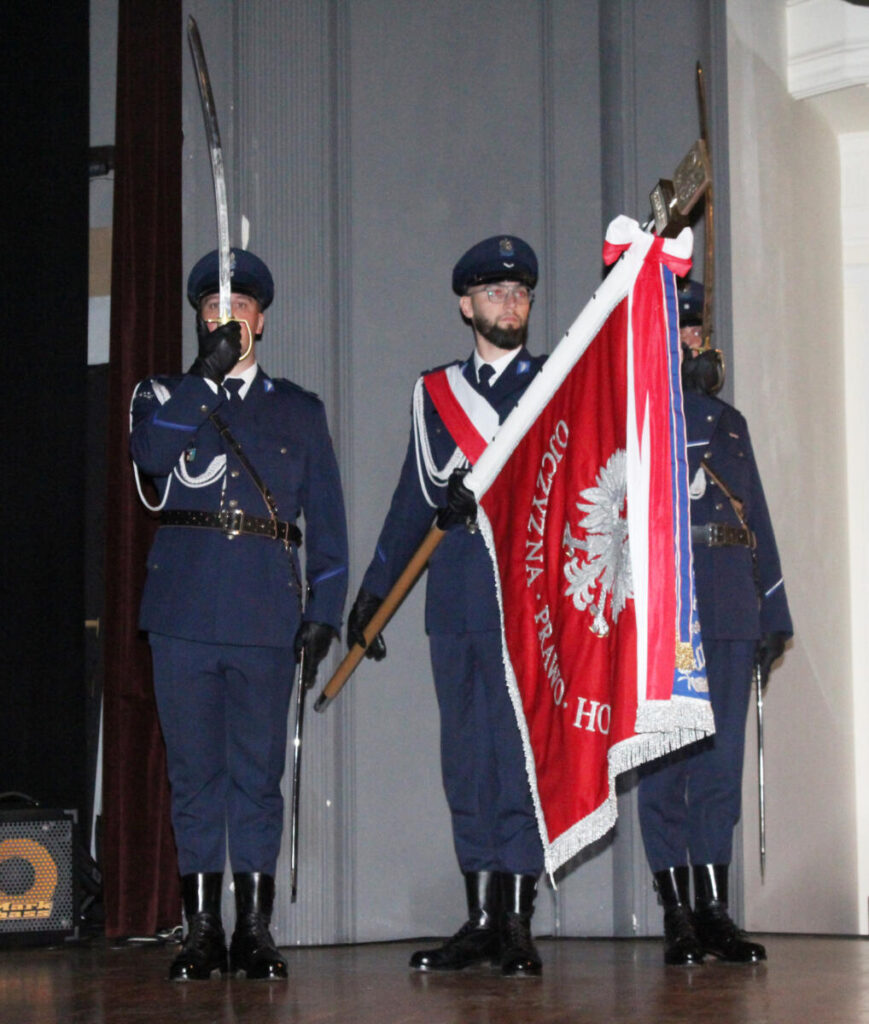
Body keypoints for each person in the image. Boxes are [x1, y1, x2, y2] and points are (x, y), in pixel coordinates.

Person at [130, 248, 348, 981]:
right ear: (200, 319)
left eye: (242, 308)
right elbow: (150, 458)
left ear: (262, 320)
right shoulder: (163, 395)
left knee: (257, 778)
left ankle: (253, 930)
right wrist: (204, 379)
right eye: (215, 309)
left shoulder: (298, 410)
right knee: (194, 777)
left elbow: (328, 523)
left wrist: (324, 609)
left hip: (264, 613)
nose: (229, 319)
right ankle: (201, 930)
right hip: (183, 613)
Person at [348, 236, 547, 977]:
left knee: (519, 761)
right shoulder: (435, 393)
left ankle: (518, 921)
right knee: (466, 762)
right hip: (457, 598)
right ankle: (481, 917)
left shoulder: (555, 383)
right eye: (494, 292)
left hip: (528, 601)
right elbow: (413, 498)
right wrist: (375, 591)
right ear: (466, 306)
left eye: (520, 292)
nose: (510, 303)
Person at [637, 279, 793, 965]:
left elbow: (756, 519)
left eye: (696, 330)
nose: (692, 341)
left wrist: (773, 609)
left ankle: (713, 910)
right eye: (679, 330)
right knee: (665, 765)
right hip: (667, 611)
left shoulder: (731, 423)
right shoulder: (639, 418)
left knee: (720, 764)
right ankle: (676, 912)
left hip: (730, 602)